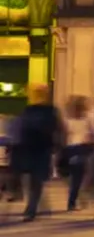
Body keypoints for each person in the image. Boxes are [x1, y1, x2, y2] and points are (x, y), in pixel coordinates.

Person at [12, 84, 60, 220]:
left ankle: (32, 208)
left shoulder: (29, 110)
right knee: (36, 180)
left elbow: (21, 129)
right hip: (40, 148)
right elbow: (56, 128)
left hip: (31, 148)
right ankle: (34, 207)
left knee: (32, 180)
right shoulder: (50, 110)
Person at [61, 96, 93, 212]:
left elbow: (64, 136)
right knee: (79, 178)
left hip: (72, 148)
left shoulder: (68, 120)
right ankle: (73, 202)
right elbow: (90, 134)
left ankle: (75, 201)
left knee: (77, 177)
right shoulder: (85, 120)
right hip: (80, 148)